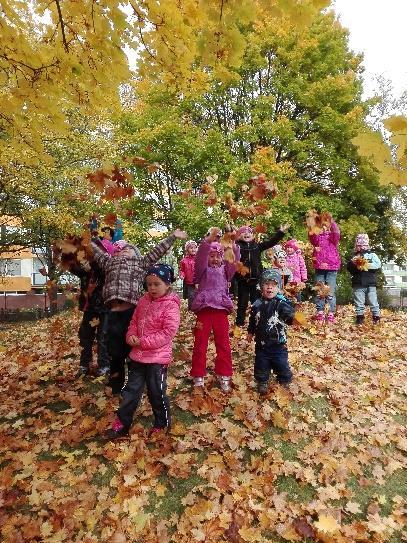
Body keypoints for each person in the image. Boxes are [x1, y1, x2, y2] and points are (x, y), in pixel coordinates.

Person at [91, 229, 187, 394]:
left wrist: (172, 237)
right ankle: (115, 386)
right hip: (112, 313)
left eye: (127, 248)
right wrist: (89, 239)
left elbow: (156, 251)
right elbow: (97, 253)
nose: (122, 250)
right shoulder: (109, 262)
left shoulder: (139, 263)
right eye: (119, 249)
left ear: (135, 253)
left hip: (131, 313)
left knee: (133, 350)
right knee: (114, 352)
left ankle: (134, 385)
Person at [105, 264, 180, 439]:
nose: (152, 287)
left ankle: (161, 424)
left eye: (157, 284)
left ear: (167, 284)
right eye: (149, 284)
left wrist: (143, 342)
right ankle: (122, 423)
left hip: (157, 359)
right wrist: (130, 335)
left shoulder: (170, 305)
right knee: (131, 391)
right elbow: (134, 321)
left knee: (157, 393)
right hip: (137, 357)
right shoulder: (143, 300)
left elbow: (168, 332)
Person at [190, 228, 240, 392]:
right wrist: (209, 240)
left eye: (218, 255)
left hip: (220, 312)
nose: (215, 259)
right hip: (204, 312)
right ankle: (198, 375)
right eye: (212, 256)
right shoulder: (202, 270)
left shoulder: (226, 271)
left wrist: (233, 243)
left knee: (223, 343)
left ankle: (224, 374)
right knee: (200, 344)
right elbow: (200, 257)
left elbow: (234, 260)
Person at [247, 269, 295, 395]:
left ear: (278, 288)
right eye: (266, 284)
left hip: (278, 344)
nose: (270, 287)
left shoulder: (281, 304)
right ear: (261, 287)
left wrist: (293, 316)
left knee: (282, 364)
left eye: (273, 285)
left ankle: (284, 379)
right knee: (261, 364)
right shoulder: (257, 304)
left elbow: (289, 316)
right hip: (261, 344)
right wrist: (250, 332)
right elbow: (253, 320)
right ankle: (262, 381)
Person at [234, 224, 290, 330]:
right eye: (243, 232)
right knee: (242, 303)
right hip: (243, 280)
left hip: (256, 281)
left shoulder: (257, 246)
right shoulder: (237, 247)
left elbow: (271, 242)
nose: (246, 234)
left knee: (257, 302)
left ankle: (257, 321)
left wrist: (281, 232)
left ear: (253, 235)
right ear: (238, 235)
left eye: (249, 232)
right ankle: (239, 323)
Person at [70, 259, 110, 377]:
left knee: (103, 337)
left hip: (104, 308)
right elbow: (72, 266)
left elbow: (102, 269)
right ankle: (85, 364)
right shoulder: (84, 270)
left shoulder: (105, 267)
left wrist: (94, 262)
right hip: (89, 308)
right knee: (85, 336)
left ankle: (104, 365)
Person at [308, 214, 341, 323]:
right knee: (320, 290)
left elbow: (336, 233)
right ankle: (320, 311)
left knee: (330, 291)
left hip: (332, 267)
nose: (324, 227)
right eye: (321, 226)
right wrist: (311, 226)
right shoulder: (317, 238)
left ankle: (331, 312)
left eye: (325, 225)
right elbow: (312, 237)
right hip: (319, 266)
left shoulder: (332, 238)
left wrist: (331, 222)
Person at [347, 233, 381, 325]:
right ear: (356, 245)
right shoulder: (354, 256)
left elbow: (378, 265)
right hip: (358, 282)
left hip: (371, 283)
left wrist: (366, 265)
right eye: (359, 245)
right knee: (359, 302)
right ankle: (360, 317)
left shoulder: (372, 255)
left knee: (373, 301)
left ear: (367, 245)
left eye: (364, 245)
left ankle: (376, 317)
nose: (362, 247)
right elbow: (349, 268)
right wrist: (354, 264)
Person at [179, 240, 198, 310]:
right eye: (191, 248)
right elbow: (182, 270)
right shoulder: (184, 260)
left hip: (198, 281)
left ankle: (199, 308)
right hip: (189, 282)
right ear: (187, 249)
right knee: (191, 295)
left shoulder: (199, 259)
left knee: (199, 295)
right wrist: (182, 275)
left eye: (194, 248)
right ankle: (191, 309)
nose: (193, 249)